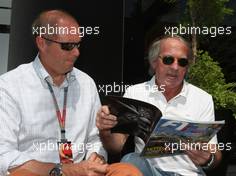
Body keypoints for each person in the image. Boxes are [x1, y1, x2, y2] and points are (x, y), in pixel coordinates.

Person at [0, 9, 142, 176]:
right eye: (67, 46)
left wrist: (95, 159)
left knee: (127, 171)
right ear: (42, 43)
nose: (76, 53)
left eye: (78, 45)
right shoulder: (9, 86)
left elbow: (95, 138)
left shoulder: (86, 83)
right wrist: (63, 170)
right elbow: (4, 155)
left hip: (81, 171)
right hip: (39, 173)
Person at [96, 35, 222, 176]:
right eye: (168, 60)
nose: (175, 67)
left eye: (182, 62)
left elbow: (214, 153)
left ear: (187, 67)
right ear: (154, 62)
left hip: (188, 173)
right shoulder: (135, 92)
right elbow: (116, 147)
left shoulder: (202, 98)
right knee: (130, 160)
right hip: (147, 171)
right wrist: (105, 130)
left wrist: (208, 159)